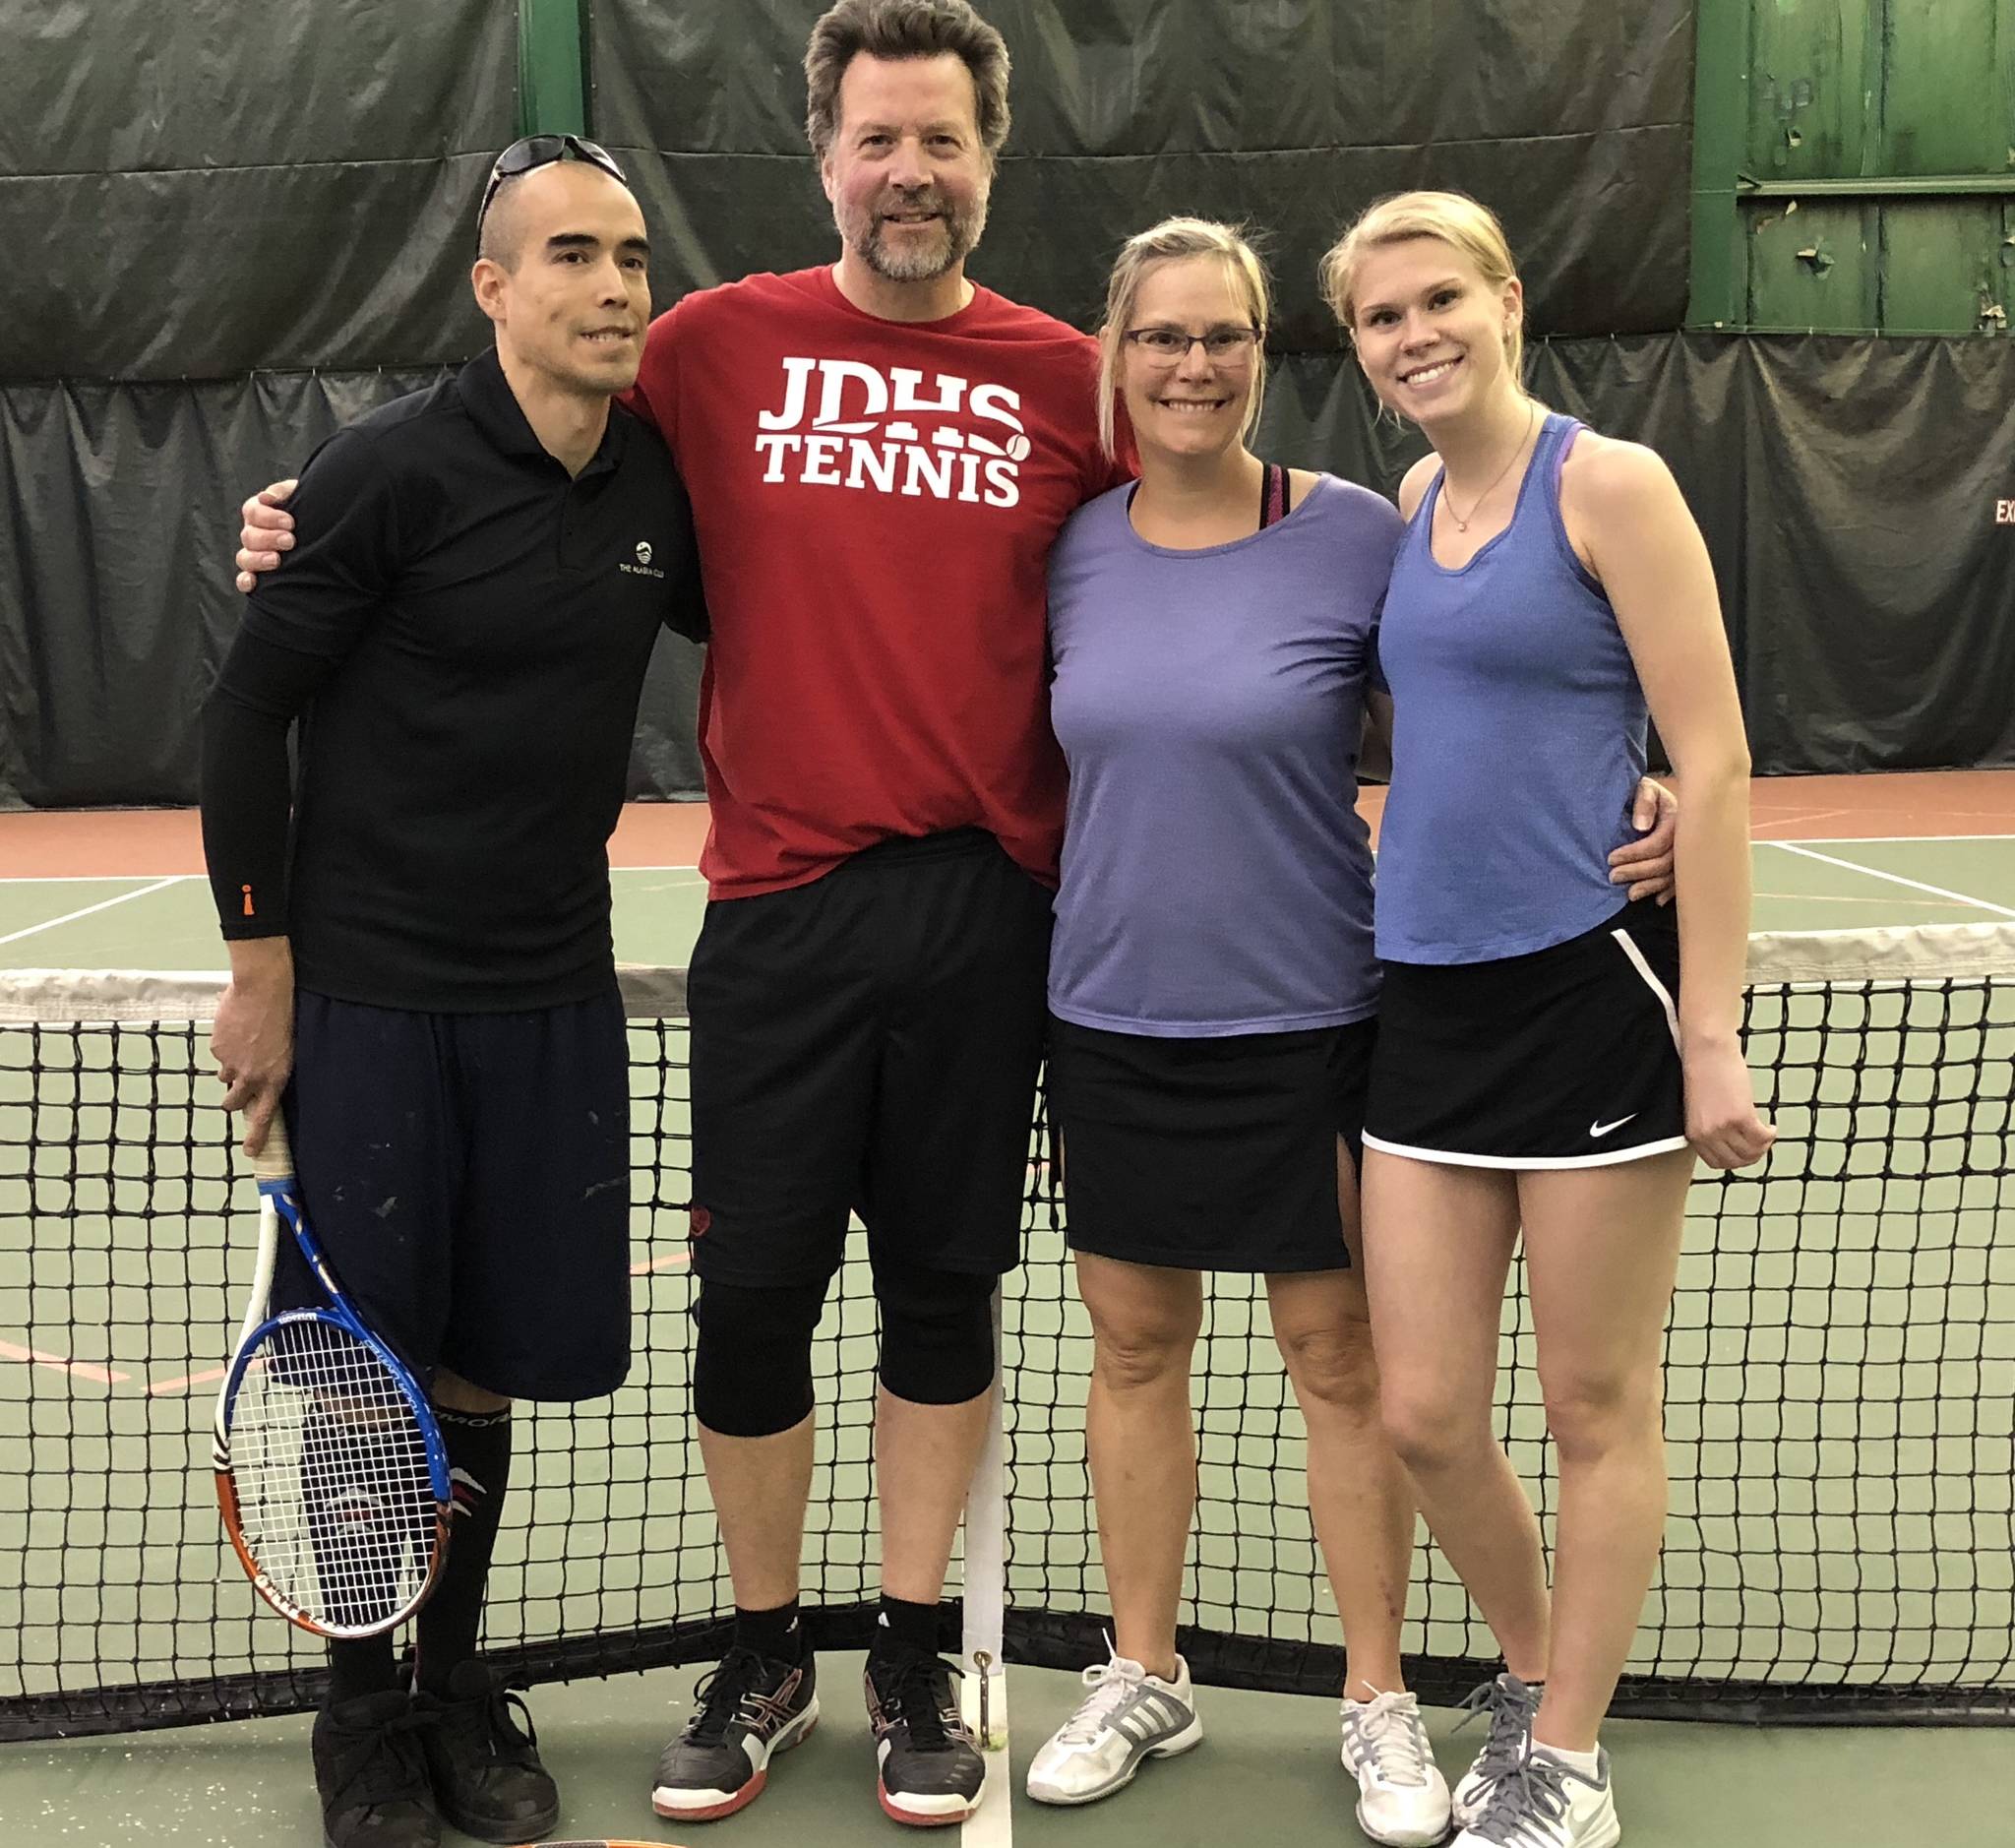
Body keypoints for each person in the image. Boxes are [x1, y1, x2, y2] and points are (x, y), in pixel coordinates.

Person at [240, 1, 1121, 1826]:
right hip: (775, 916)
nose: (908, 172)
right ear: (825, 160)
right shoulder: (708, 350)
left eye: (940, 140)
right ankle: (760, 1647)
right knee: (749, 1311)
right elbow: (499, 430)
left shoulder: (1066, 378)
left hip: (984, 915)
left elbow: (1213, 535)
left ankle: (903, 1649)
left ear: (988, 158)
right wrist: (301, 522)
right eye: (877, 139)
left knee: (943, 1296)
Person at [1021, 216, 1678, 1843]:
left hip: (1319, 1007)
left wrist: (1640, 781)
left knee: (1341, 1364)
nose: (1192, 365)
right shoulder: (1064, 545)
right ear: (1118, 356)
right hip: (1105, 1007)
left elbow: (1501, 664)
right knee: (1131, 1349)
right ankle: (1143, 1664)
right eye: (1161, 337)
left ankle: (1377, 1695)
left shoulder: (1349, 532)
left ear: (1264, 353)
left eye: (1224, 335)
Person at [203, 139, 703, 1848]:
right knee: (365, 1369)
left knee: (481, 1367)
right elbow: (243, 715)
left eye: (633, 255)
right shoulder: (384, 473)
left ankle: (452, 1673)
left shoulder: (658, 487)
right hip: (372, 1000)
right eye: (571, 254)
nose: (615, 284)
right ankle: (361, 1711)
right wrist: (261, 962)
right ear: (492, 287)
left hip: (550, 995)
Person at [1321, 190, 1774, 1848]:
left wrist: (1709, 1029)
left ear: (1508, 300)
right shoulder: (1419, 496)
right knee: (1427, 1410)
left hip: (1594, 994)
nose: (1415, 333)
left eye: (1441, 297)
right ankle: (1535, 1671)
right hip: (1423, 1006)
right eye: (1382, 318)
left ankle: (1566, 1757)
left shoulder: (1614, 484)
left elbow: (1712, 758)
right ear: (1363, 353)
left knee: (1595, 1405)